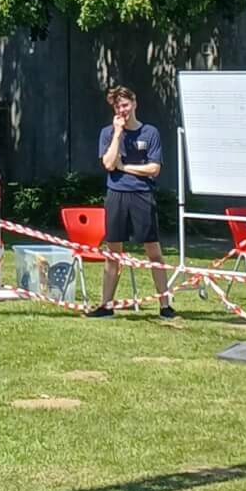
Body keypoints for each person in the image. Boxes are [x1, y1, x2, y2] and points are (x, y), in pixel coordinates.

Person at [88, 84, 176, 318]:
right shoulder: (108, 133)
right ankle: (106, 305)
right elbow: (108, 164)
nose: (122, 110)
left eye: (125, 105)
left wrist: (126, 167)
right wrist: (118, 134)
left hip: (142, 194)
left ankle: (165, 305)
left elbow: (154, 168)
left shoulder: (150, 132)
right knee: (113, 252)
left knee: (153, 251)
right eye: (118, 106)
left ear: (134, 104)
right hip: (116, 194)